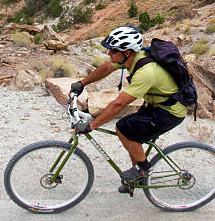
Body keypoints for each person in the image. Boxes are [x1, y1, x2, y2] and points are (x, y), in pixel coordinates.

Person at [70, 26, 186, 193]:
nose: (109, 53)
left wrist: (92, 125)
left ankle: (143, 169)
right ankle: (137, 175)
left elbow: (119, 104)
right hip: (156, 104)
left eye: (113, 50)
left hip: (170, 111)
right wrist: (82, 83)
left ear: (127, 52)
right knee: (131, 131)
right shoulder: (131, 58)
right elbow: (106, 67)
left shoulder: (146, 72)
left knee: (124, 128)